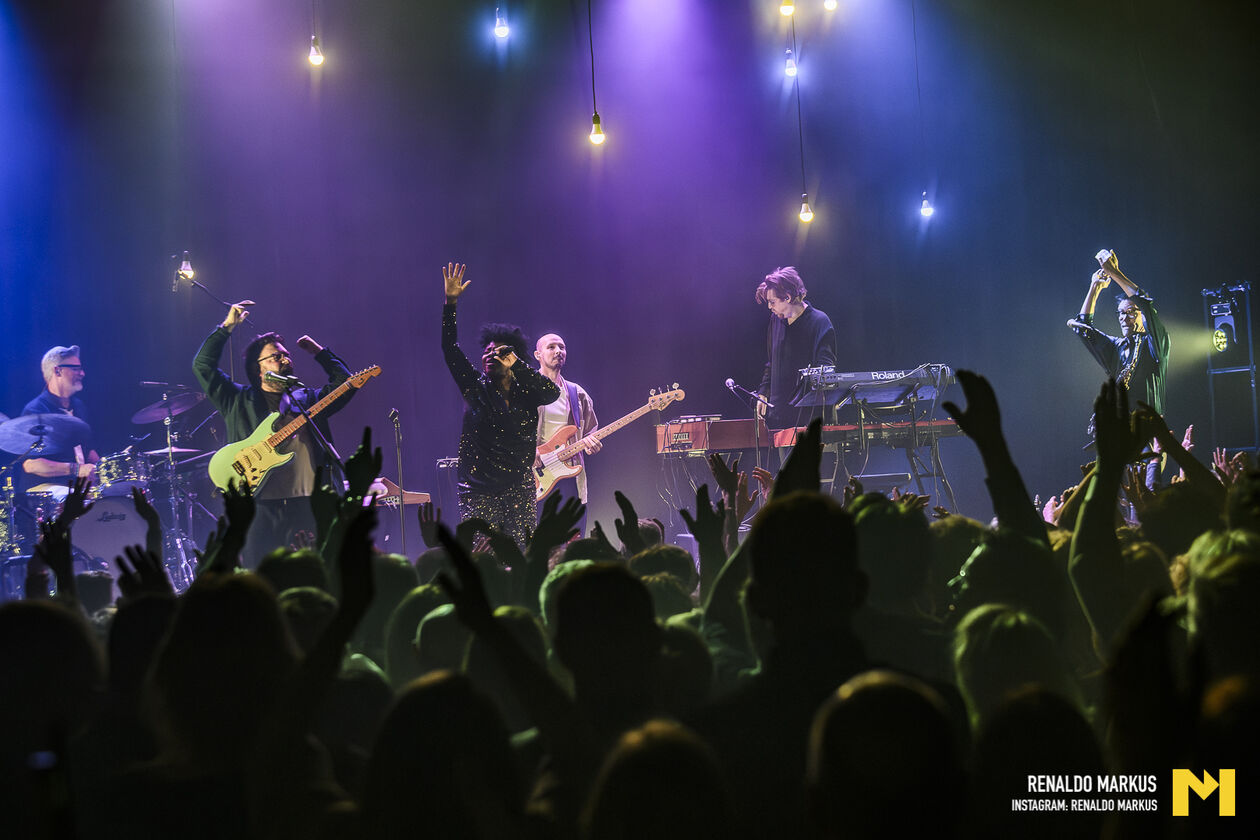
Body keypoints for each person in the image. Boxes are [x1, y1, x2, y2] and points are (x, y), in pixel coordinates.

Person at [192, 300, 355, 567]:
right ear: (259, 369)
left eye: (287, 354)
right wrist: (227, 327)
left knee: (313, 572)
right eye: (276, 356)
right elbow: (203, 367)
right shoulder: (237, 400)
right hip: (260, 508)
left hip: (308, 506)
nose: (285, 358)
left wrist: (318, 352)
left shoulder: (308, 399)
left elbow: (345, 383)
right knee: (261, 575)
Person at [441, 263, 560, 548]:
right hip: (477, 491)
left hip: (518, 490)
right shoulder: (474, 387)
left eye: (499, 352)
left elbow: (550, 393)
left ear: (513, 357)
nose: (490, 355)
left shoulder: (527, 391)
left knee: (521, 558)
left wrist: (517, 364)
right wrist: (451, 303)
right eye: (486, 351)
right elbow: (450, 349)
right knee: (484, 563)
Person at [1067, 248, 1170, 422]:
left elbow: (1145, 304)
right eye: (1120, 313)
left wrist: (1114, 273)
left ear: (1141, 315)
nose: (1123, 318)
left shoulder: (1155, 342)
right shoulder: (1117, 347)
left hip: (1148, 430)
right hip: (1120, 429)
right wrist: (1095, 287)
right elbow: (1084, 329)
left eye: (1130, 312)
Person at [753, 266, 836, 429]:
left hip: (810, 419)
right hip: (779, 417)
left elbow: (826, 370)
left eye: (772, 302)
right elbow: (772, 362)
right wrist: (763, 392)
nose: (770, 307)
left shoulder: (819, 322)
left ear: (788, 297)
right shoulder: (775, 320)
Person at [534, 332, 599, 532]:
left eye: (562, 347)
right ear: (538, 355)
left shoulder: (577, 393)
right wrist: (529, 451)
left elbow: (590, 430)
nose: (558, 351)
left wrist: (592, 442)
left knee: (572, 543)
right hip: (536, 477)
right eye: (551, 347)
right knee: (538, 545)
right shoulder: (527, 389)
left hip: (571, 476)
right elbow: (508, 430)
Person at [18, 345, 101, 485]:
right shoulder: (36, 411)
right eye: (76, 369)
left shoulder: (79, 406)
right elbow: (31, 464)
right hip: (46, 490)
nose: (82, 373)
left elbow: (88, 450)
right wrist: (76, 469)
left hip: (77, 486)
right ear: (58, 371)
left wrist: (105, 469)